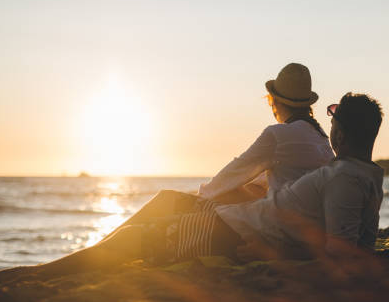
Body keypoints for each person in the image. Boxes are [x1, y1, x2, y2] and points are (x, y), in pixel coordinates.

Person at [16, 92, 383, 277]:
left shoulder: (343, 179)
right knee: (142, 234)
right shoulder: (368, 178)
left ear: (343, 135)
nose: (329, 127)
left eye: (335, 124)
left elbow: (340, 257)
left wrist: (270, 255)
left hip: (235, 232)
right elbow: (358, 247)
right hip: (245, 223)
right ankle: (48, 270)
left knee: (135, 239)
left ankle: (38, 274)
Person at [98, 62, 334, 237]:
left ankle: (105, 244)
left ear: (276, 101)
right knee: (230, 194)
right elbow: (261, 184)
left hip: (277, 229)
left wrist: (199, 197)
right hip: (302, 229)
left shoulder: (278, 135)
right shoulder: (320, 139)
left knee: (165, 200)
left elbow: (232, 173)